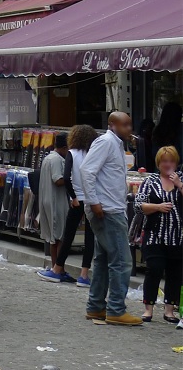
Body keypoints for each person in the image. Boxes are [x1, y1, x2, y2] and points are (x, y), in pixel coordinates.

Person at [80, 112, 141, 326]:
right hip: (107, 210)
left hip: (110, 208)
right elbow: (86, 171)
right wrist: (94, 202)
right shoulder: (106, 142)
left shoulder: (115, 144)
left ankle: (96, 306)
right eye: (124, 125)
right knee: (122, 262)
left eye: (129, 124)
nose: (128, 129)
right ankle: (116, 309)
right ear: (112, 125)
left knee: (104, 260)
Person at [37, 124, 98, 286]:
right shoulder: (94, 153)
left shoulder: (71, 153)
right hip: (92, 198)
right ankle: (84, 274)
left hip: (78, 199)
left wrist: (73, 196)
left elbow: (67, 176)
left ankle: (57, 268)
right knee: (90, 237)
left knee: (68, 235)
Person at [133, 145, 183, 324]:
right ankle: (148, 308)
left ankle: (169, 310)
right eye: (164, 161)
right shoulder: (150, 181)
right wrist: (157, 207)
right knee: (154, 268)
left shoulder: (181, 180)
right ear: (159, 163)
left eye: (171, 161)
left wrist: (178, 184)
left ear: (176, 162)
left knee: (175, 272)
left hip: (178, 236)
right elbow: (138, 206)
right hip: (155, 233)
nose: (168, 164)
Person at [37, 133, 69, 270]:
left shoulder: (48, 158)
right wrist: (71, 180)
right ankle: (58, 267)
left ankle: (56, 266)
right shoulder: (56, 160)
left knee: (53, 236)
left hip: (49, 199)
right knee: (59, 236)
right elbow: (57, 180)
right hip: (56, 201)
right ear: (64, 147)